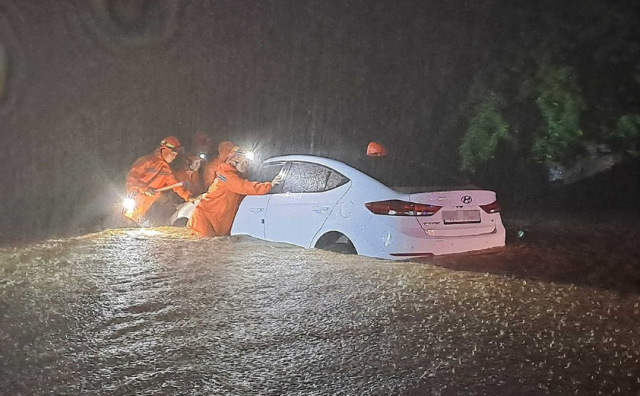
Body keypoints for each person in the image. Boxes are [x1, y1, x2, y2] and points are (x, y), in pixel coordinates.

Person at [188, 146, 282, 237]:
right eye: (244, 162)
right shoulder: (225, 176)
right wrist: (269, 185)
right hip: (204, 220)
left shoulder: (234, 175)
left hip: (215, 221)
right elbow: (243, 186)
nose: (247, 164)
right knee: (205, 250)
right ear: (234, 160)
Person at [124, 136, 192, 223]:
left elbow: (175, 185)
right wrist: (144, 188)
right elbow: (132, 178)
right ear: (164, 150)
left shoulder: (166, 170)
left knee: (135, 222)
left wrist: (189, 197)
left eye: (175, 155)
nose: (173, 157)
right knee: (124, 220)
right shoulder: (146, 161)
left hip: (146, 203)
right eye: (172, 154)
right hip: (134, 197)